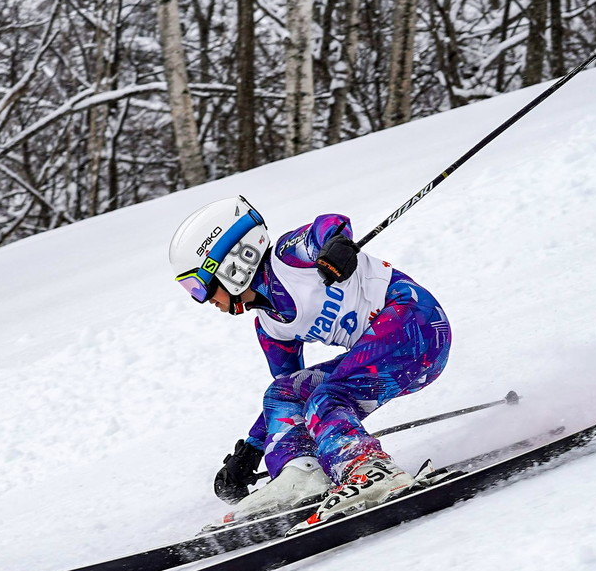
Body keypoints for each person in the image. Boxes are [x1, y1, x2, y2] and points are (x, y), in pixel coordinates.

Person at [168, 196, 452, 532]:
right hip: (381, 354)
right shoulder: (270, 325)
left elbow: (330, 223)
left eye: (199, 286)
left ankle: (368, 468)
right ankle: (302, 476)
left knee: (328, 399)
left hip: (416, 322)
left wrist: (337, 247)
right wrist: (253, 447)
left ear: (232, 265)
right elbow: (292, 395)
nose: (203, 300)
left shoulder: (288, 258)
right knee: (284, 392)